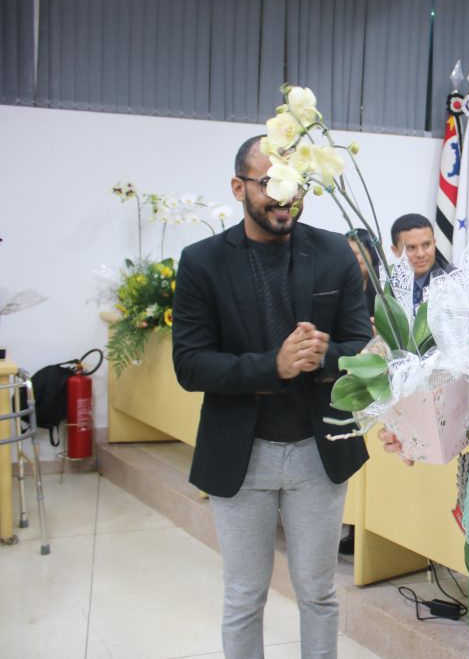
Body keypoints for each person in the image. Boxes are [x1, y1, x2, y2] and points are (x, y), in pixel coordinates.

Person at [172, 135, 372, 658]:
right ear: (238, 187)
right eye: (268, 184)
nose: (285, 197)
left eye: (295, 183)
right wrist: (273, 366)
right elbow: (189, 365)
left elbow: (362, 347)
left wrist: (325, 356)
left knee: (319, 594)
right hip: (242, 454)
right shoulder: (202, 262)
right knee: (244, 597)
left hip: (318, 451)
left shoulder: (332, 252)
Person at [390, 213, 469, 308]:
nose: (421, 254)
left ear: (434, 243)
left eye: (426, 245)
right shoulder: (386, 284)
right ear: (395, 250)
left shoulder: (460, 283)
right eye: (411, 248)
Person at [346, 227, 382, 316]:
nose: (349, 259)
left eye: (355, 253)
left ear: (371, 253)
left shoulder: (384, 284)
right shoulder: (342, 286)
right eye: (346, 254)